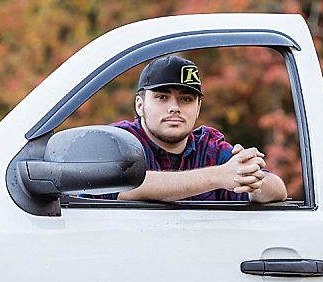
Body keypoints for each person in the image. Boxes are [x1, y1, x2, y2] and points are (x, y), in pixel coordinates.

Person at [112, 53, 287, 203]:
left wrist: (251, 176)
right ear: (139, 105)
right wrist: (218, 176)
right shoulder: (117, 141)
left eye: (186, 99)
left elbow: (278, 190)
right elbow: (124, 188)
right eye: (162, 97)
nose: (174, 107)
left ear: (198, 108)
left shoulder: (210, 147)